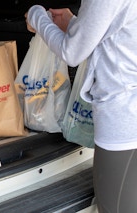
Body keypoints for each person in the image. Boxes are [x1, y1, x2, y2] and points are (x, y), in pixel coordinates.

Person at [25, 1, 137, 212]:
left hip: (123, 125)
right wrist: (75, 24)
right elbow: (119, 35)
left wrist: (35, 15)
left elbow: (72, 53)